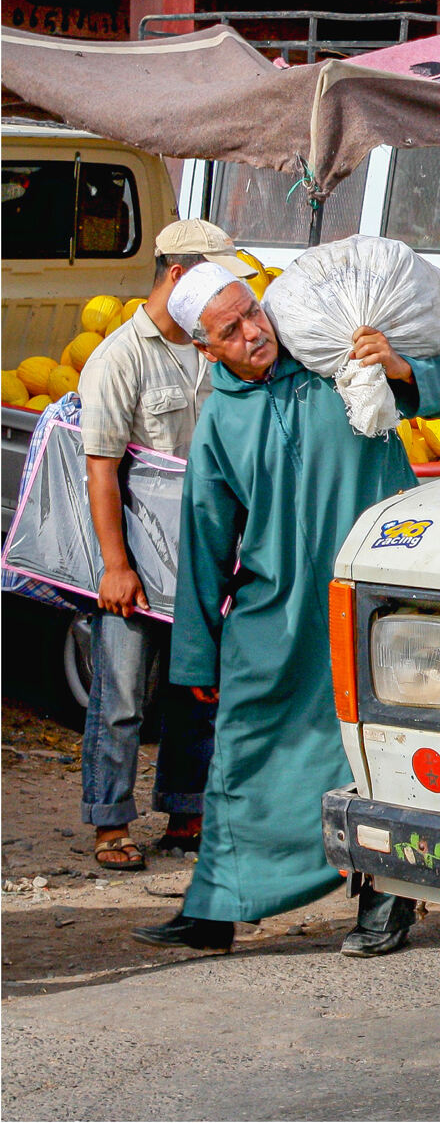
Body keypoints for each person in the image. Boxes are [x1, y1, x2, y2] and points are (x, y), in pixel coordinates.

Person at [132, 262, 440, 955]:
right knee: (244, 751)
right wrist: (198, 650)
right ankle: (216, 906)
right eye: (233, 329)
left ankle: (383, 896)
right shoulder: (221, 417)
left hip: (371, 601)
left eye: (254, 312)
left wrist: (397, 365)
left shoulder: (329, 359)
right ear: (206, 348)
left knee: (375, 746)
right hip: (273, 615)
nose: (256, 331)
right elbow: (205, 536)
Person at [78, 220, 257, 871]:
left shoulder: (212, 347)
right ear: (180, 278)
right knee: (122, 694)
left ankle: (186, 809)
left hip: (200, 557)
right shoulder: (120, 357)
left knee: (194, 687)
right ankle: (109, 822)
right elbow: (101, 466)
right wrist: (115, 565)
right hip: (138, 559)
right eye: (216, 279)